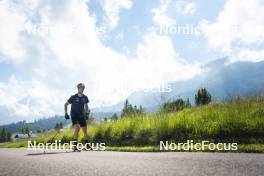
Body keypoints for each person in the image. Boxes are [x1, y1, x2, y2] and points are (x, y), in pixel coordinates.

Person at [64, 83, 92, 150]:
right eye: (80, 88)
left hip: (81, 115)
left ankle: (87, 145)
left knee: (85, 131)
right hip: (74, 115)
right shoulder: (73, 97)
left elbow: (86, 106)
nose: (82, 89)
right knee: (77, 128)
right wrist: (66, 113)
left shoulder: (85, 97)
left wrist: (87, 113)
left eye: (83, 88)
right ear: (78, 88)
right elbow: (65, 104)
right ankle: (75, 146)